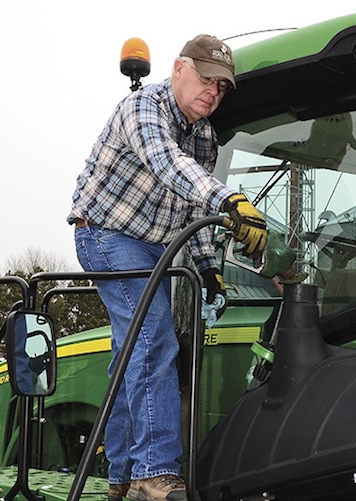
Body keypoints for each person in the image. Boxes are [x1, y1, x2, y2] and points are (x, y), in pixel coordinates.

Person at [67, 34, 266, 501]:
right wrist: (231, 200)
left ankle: (120, 474)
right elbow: (166, 164)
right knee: (154, 339)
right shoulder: (142, 108)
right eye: (206, 79)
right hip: (105, 234)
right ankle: (155, 470)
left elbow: (190, 214)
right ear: (178, 69)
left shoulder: (204, 138)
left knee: (128, 354)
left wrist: (209, 267)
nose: (213, 92)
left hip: (155, 247)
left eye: (221, 87)